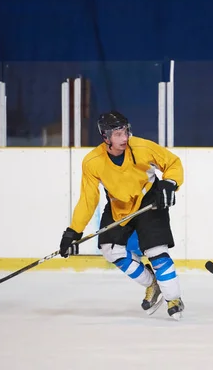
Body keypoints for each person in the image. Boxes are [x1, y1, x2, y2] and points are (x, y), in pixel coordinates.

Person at [59, 110, 185, 320]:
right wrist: (73, 231)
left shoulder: (142, 147)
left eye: (125, 131)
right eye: (117, 134)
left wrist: (170, 183)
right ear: (105, 137)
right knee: (110, 250)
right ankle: (152, 283)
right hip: (119, 205)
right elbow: (88, 200)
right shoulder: (92, 162)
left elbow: (173, 163)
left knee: (156, 251)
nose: (124, 138)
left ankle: (174, 298)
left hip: (149, 201)